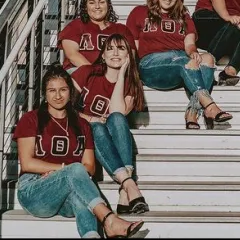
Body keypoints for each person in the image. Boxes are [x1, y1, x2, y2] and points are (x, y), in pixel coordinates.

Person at [13, 64, 145, 238]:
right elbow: (28, 163)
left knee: (84, 198)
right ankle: (110, 220)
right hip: (35, 190)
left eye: (63, 90)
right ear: (45, 94)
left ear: (71, 92)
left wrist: (63, 173)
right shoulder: (31, 119)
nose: (58, 96)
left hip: (69, 189)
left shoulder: (82, 124)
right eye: (52, 90)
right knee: (76, 170)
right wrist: (62, 171)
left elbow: (89, 166)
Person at [127, 0, 232, 129]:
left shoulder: (183, 16)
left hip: (180, 64)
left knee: (208, 58)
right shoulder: (139, 12)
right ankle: (209, 106)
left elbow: (189, 44)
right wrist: (132, 76)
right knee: (183, 60)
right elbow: (132, 48)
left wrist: (193, 52)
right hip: (151, 66)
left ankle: (192, 112)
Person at [71, 33, 149, 215]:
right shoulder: (86, 72)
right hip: (81, 132)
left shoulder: (131, 84)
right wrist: (90, 119)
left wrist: (122, 75)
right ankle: (130, 184)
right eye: (110, 49)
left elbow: (117, 112)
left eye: (121, 48)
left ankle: (125, 191)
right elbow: (63, 107)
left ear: (128, 55)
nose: (115, 53)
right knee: (97, 126)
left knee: (117, 119)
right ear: (103, 55)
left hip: (108, 137)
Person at [58, 0, 135, 72]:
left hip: (113, 74)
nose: (97, 6)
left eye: (101, 2)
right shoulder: (75, 26)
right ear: (85, 6)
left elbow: (129, 58)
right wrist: (95, 73)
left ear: (108, 5)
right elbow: (72, 55)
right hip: (80, 71)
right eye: (92, 2)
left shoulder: (121, 29)